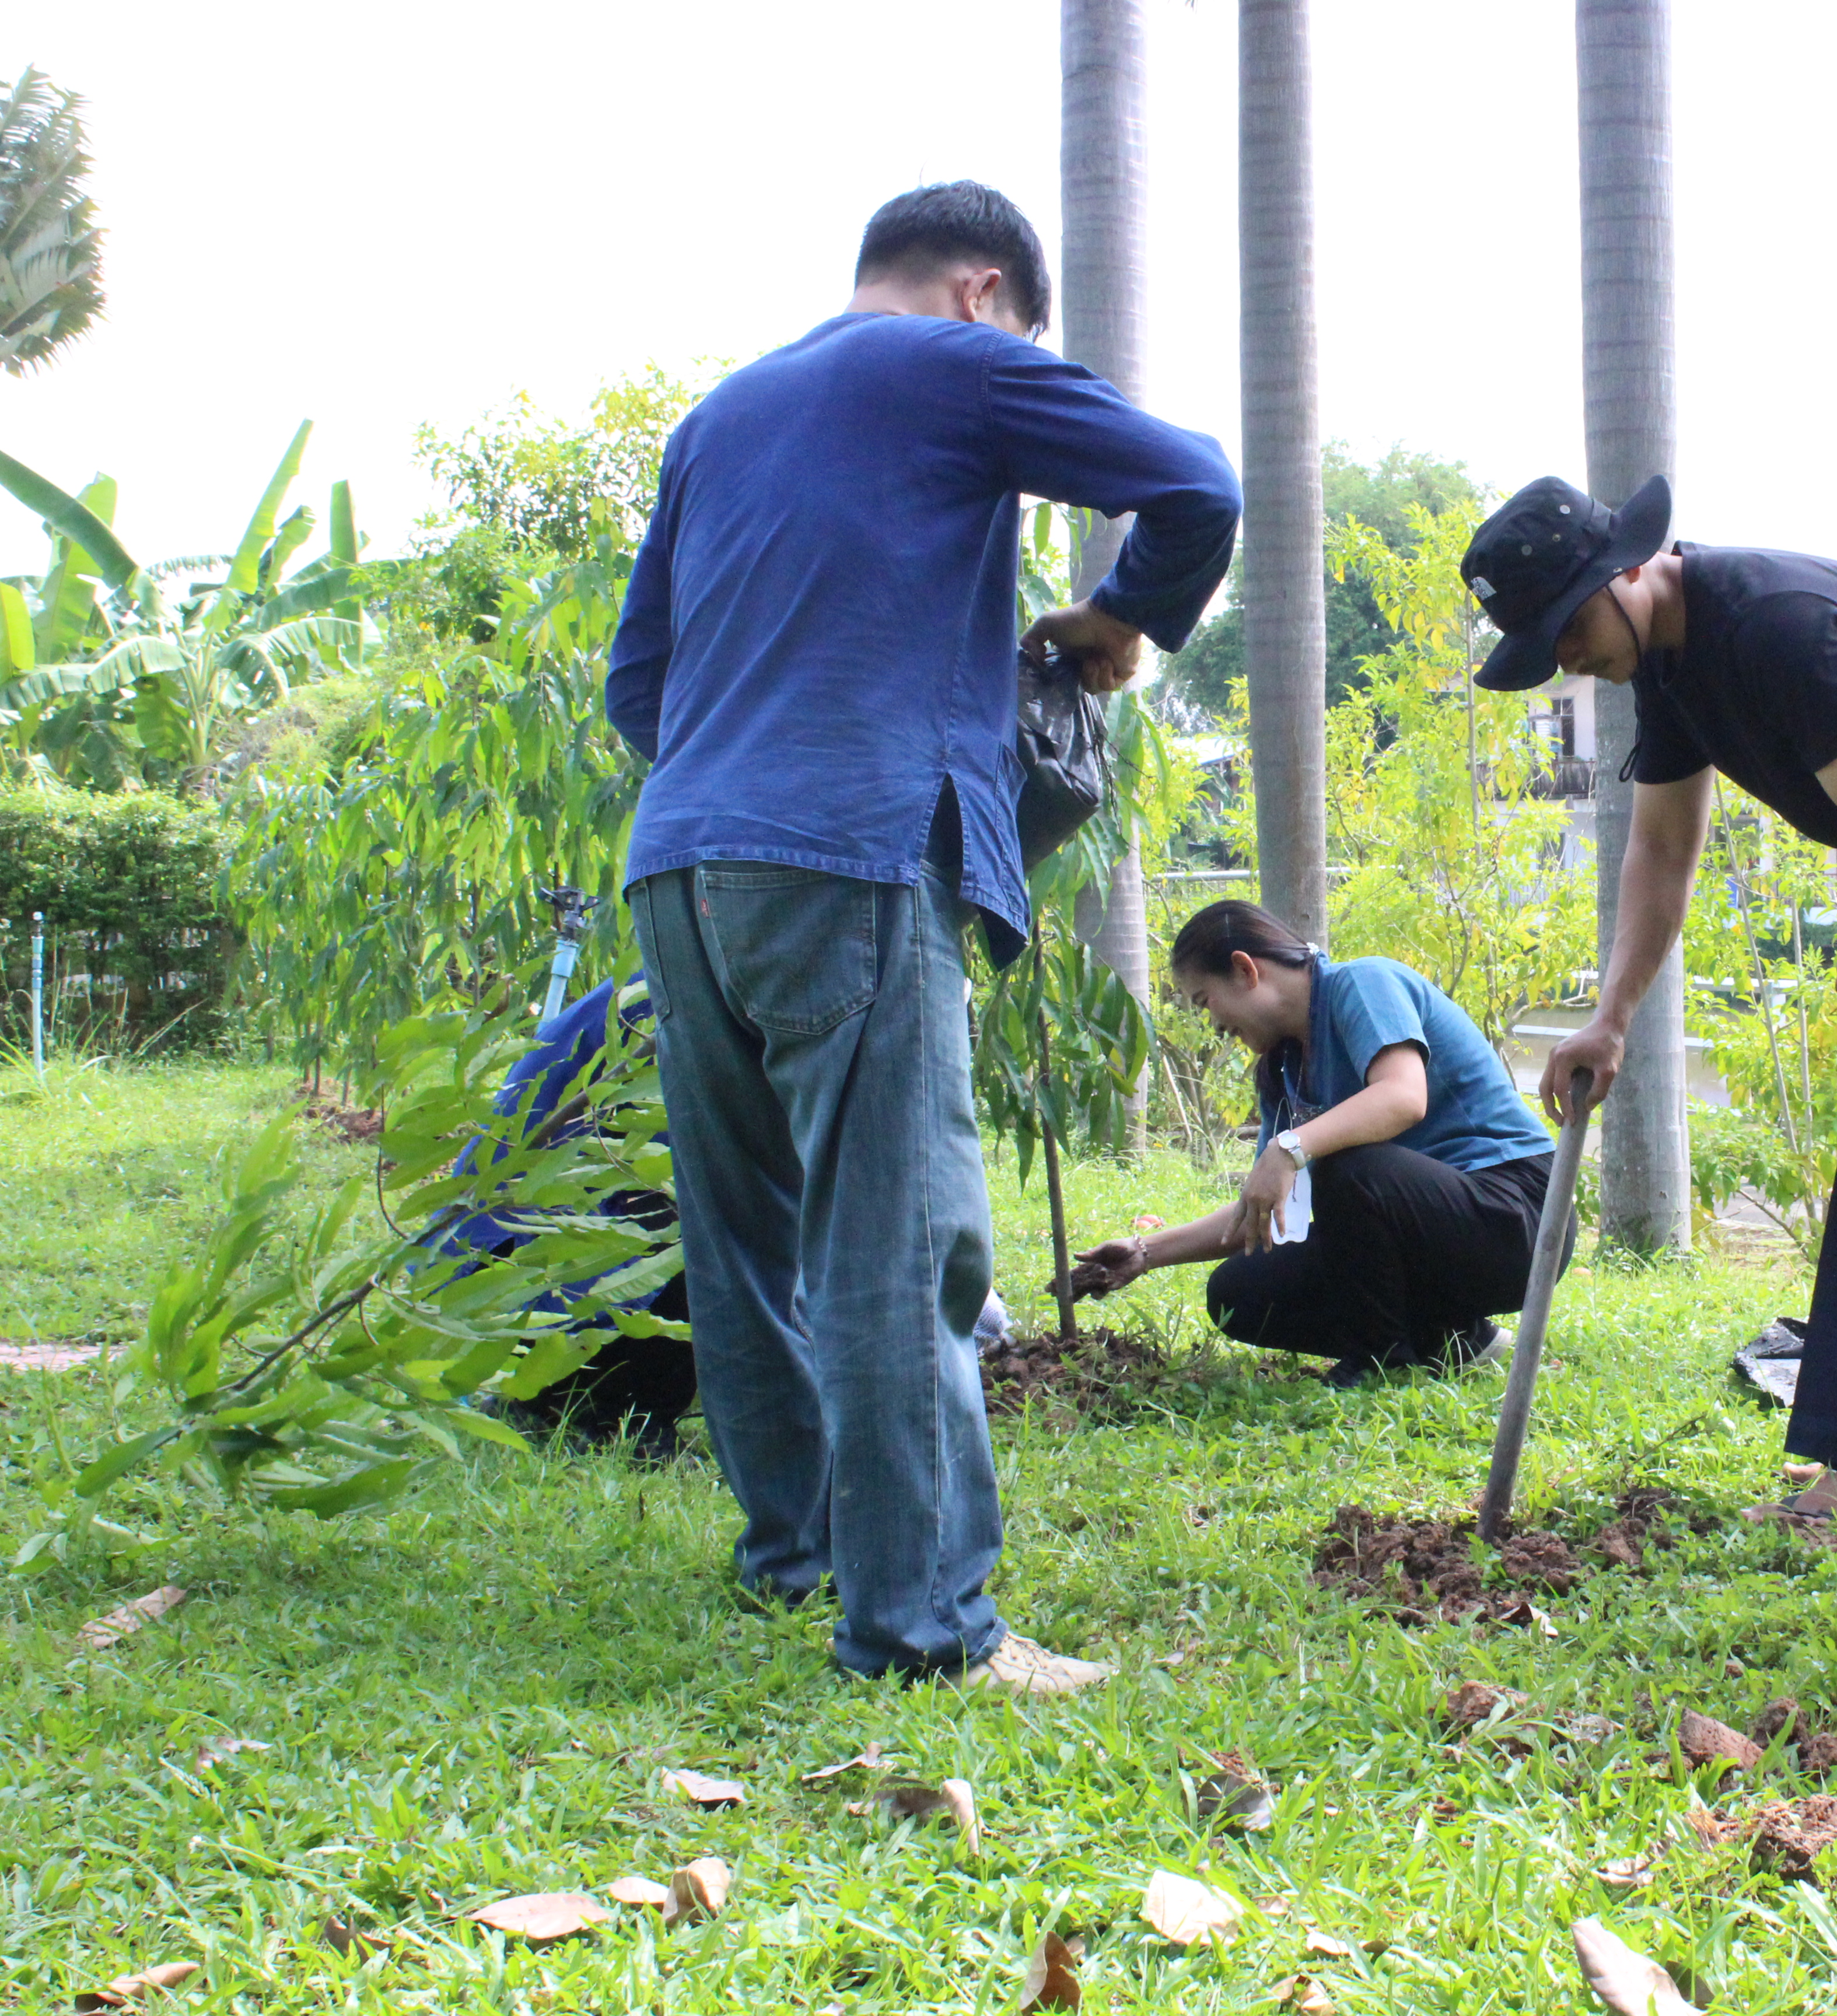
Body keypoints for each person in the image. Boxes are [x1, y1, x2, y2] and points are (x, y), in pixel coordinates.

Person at [606, 182, 1241, 1690]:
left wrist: (734, 765)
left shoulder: (720, 419)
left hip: (682, 866)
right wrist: (1116, 617)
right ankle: (925, 1627)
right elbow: (1197, 488)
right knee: (902, 1240)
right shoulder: (960, 365)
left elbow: (640, 686)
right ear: (982, 294)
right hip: (851, 853)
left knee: (745, 1233)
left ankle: (796, 1555)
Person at [1463, 474, 1837, 1520]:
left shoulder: (1773, 627)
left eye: (1564, 628)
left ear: (1622, 572)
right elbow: (1660, 847)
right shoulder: (1666, 663)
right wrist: (1609, 1016)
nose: (1564, 661)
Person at [1066, 901, 1564, 1386]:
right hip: (1430, 1232)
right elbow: (1264, 1207)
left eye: (1204, 1001)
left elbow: (1403, 1097)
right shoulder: (1284, 1070)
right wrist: (1145, 1252)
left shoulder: (1364, 983)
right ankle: (1455, 1340)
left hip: (1520, 1215)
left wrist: (1290, 1148)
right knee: (1238, 1291)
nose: (1213, 1025)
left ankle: (1379, 1363)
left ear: (1244, 970)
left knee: (1344, 1164)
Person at [440, 975, 696, 1461]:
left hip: (506, 1266)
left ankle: (573, 1397)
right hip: (541, 1262)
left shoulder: (681, 956)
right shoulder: (694, 999)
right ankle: (610, 1413)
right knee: (723, 1224)